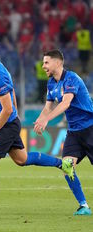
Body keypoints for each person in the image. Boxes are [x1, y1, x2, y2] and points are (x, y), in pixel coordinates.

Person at [0, 35, 66, 220]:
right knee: (22, 159)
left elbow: (7, 109)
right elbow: (12, 96)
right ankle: (61, 164)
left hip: (5, 125)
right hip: (9, 122)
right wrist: (13, 115)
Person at [34, 49, 93, 216]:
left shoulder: (71, 78)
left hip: (90, 128)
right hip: (74, 132)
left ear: (57, 62)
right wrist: (40, 119)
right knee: (67, 167)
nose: (43, 66)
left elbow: (66, 103)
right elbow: (48, 106)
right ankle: (84, 205)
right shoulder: (51, 83)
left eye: (46, 62)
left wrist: (47, 120)